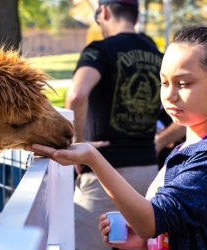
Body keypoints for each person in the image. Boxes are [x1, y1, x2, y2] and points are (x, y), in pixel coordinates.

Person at [26, 25, 207, 249]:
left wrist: (94, 159)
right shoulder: (189, 147)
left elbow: (153, 219)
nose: (169, 95)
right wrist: (145, 243)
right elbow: (175, 226)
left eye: (184, 84)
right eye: (164, 82)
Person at [65, 0, 163, 248]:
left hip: (105, 176)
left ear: (104, 11)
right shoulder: (158, 55)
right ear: (136, 16)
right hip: (149, 172)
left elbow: (76, 94)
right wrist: (161, 139)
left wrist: (79, 144)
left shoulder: (100, 49)